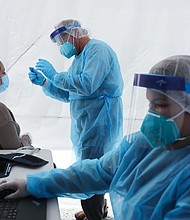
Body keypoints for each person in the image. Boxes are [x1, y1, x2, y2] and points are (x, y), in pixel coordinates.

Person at [1, 55, 190, 219]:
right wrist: (32, 184)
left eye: (160, 104)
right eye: (150, 103)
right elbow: (97, 172)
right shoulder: (142, 145)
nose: (151, 113)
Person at [28, 19, 124, 220]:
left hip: (100, 122)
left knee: (91, 170)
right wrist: (46, 82)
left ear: (76, 32)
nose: (62, 45)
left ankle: (94, 215)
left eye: (63, 39)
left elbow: (87, 84)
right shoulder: (78, 59)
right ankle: (98, 209)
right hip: (87, 122)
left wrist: (55, 75)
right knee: (95, 166)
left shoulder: (97, 50)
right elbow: (70, 94)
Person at [0, 60, 32, 149]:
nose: (5, 75)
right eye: (3, 72)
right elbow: (14, 147)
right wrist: (26, 139)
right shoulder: (1, 111)